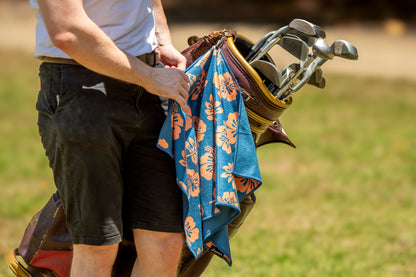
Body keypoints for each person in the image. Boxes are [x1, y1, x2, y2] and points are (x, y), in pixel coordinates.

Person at [29, 0, 191, 276]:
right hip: (81, 88)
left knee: (165, 241)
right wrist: (149, 76)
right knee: (98, 245)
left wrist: (161, 40)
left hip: (149, 89)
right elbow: (67, 31)